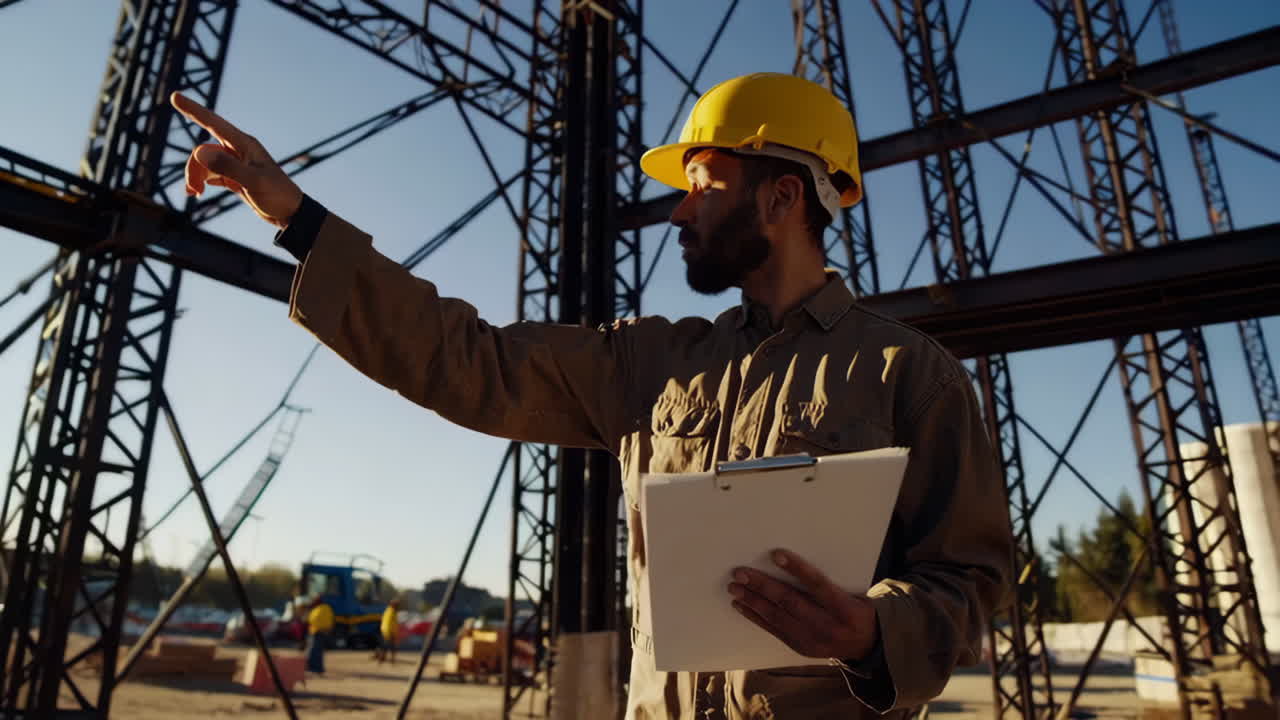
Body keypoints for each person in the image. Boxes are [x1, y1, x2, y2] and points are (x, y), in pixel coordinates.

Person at [171, 71, 1012, 719]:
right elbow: (468, 360)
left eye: (703, 185)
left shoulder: (911, 374)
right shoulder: (654, 363)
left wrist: (875, 632)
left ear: (783, 196)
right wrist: (297, 217)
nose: (679, 214)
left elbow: (972, 583)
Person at [305, 596, 334, 675]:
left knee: (313, 651)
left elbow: (313, 619)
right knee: (318, 651)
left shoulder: (318, 609)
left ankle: (313, 668)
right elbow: (330, 619)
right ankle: (318, 668)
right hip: (323, 632)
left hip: (317, 632)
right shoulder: (326, 608)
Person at [374, 597, 400, 665]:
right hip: (389, 632)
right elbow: (389, 623)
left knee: (386, 647)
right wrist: (392, 632)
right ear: (393, 604)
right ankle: (388, 660)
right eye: (397, 604)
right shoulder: (391, 612)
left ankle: (383, 659)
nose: (398, 606)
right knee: (390, 647)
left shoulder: (388, 610)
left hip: (386, 631)